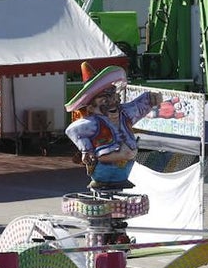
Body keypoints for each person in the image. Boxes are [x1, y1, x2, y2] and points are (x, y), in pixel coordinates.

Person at [65, 63, 161, 191]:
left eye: (114, 98)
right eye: (105, 101)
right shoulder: (93, 122)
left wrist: (150, 99)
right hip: (103, 169)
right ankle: (103, 181)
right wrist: (86, 150)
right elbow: (72, 130)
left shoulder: (124, 114)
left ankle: (119, 180)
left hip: (125, 168)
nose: (112, 103)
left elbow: (137, 106)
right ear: (91, 107)